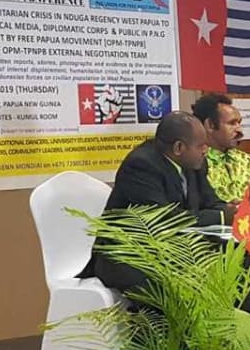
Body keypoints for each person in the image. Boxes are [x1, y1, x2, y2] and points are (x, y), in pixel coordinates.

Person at [84, 111, 233, 293]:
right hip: (127, 255)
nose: (205, 151)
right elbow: (165, 219)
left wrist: (230, 210)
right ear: (179, 148)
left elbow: (211, 202)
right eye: (201, 146)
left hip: (174, 249)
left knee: (235, 258)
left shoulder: (194, 163)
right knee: (175, 285)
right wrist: (221, 216)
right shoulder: (141, 166)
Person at [191, 93, 250, 204]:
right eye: (232, 123)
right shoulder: (195, 163)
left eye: (239, 123)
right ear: (210, 125)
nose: (239, 130)